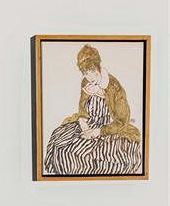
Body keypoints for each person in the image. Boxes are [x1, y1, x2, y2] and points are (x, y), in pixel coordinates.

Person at [44, 43, 142, 176]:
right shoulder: (85, 83)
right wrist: (83, 120)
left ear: (98, 67)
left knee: (89, 156)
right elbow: (82, 107)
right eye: (86, 73)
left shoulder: (114, 87)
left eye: (93, 71)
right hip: (90, 123)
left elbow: (121, 121)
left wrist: (98, 132)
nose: (90, 77)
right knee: (59, 142)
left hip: (109, 128)